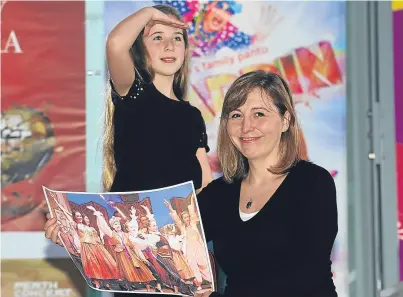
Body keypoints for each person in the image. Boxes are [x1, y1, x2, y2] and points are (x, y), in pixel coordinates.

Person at [44, 4, 213, 297]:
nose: (169, 45)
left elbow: (205, 186)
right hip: (137, 261)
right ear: (139, 50)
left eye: (177, 38)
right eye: (157, 37)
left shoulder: (193, 116)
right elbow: (115, 43)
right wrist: (150, 12)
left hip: (185, 261)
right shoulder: (133, 94)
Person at [194, 70, 338, 297]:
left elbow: (303, 277)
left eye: (259, 114)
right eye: (236, 115)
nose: (246, 126)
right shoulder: (218, 195)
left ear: (285, 120)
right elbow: (164, 243)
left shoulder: (312, 183)